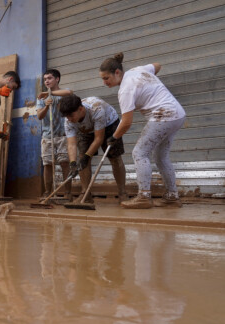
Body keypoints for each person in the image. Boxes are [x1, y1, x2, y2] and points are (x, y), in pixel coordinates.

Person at [100, 52, 186, 209]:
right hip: (177, 114)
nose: (105, 82)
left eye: (106, 78)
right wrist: (148, 83)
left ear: (117, 72)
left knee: (139, 153)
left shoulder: (125, 89)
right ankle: (172, 196)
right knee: (161, 156)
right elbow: (157, 65)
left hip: (163, 116)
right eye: (103, 79)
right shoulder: (138, 70)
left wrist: (114, 137)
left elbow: (126, 122)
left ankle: (144, 196)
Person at [59, 94, 128, 203]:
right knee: (82, 158)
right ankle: (85, 194)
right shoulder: (69, 120)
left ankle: (122, 193)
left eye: (71, 116)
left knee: (114, 158)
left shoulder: (96, 109)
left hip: (109, 123)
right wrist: (73, 163)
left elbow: (99, 139)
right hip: (86, 129)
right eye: (67, 116)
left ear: (80, 109)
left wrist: (87, 156)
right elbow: (71, 144)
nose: (69, 119)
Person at [36, 69, 73, 199]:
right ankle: (48, 192)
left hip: (63, 135)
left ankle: (68, 193)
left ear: (57, 79)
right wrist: (46, 105)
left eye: (50, 78)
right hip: (47, 136)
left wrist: (49, 93)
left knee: (64, 163)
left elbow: (69, 92)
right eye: (45, 79)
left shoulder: (62, 94)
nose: (47, 81)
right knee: (47, 164)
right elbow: (40, 116)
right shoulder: (41, 98)